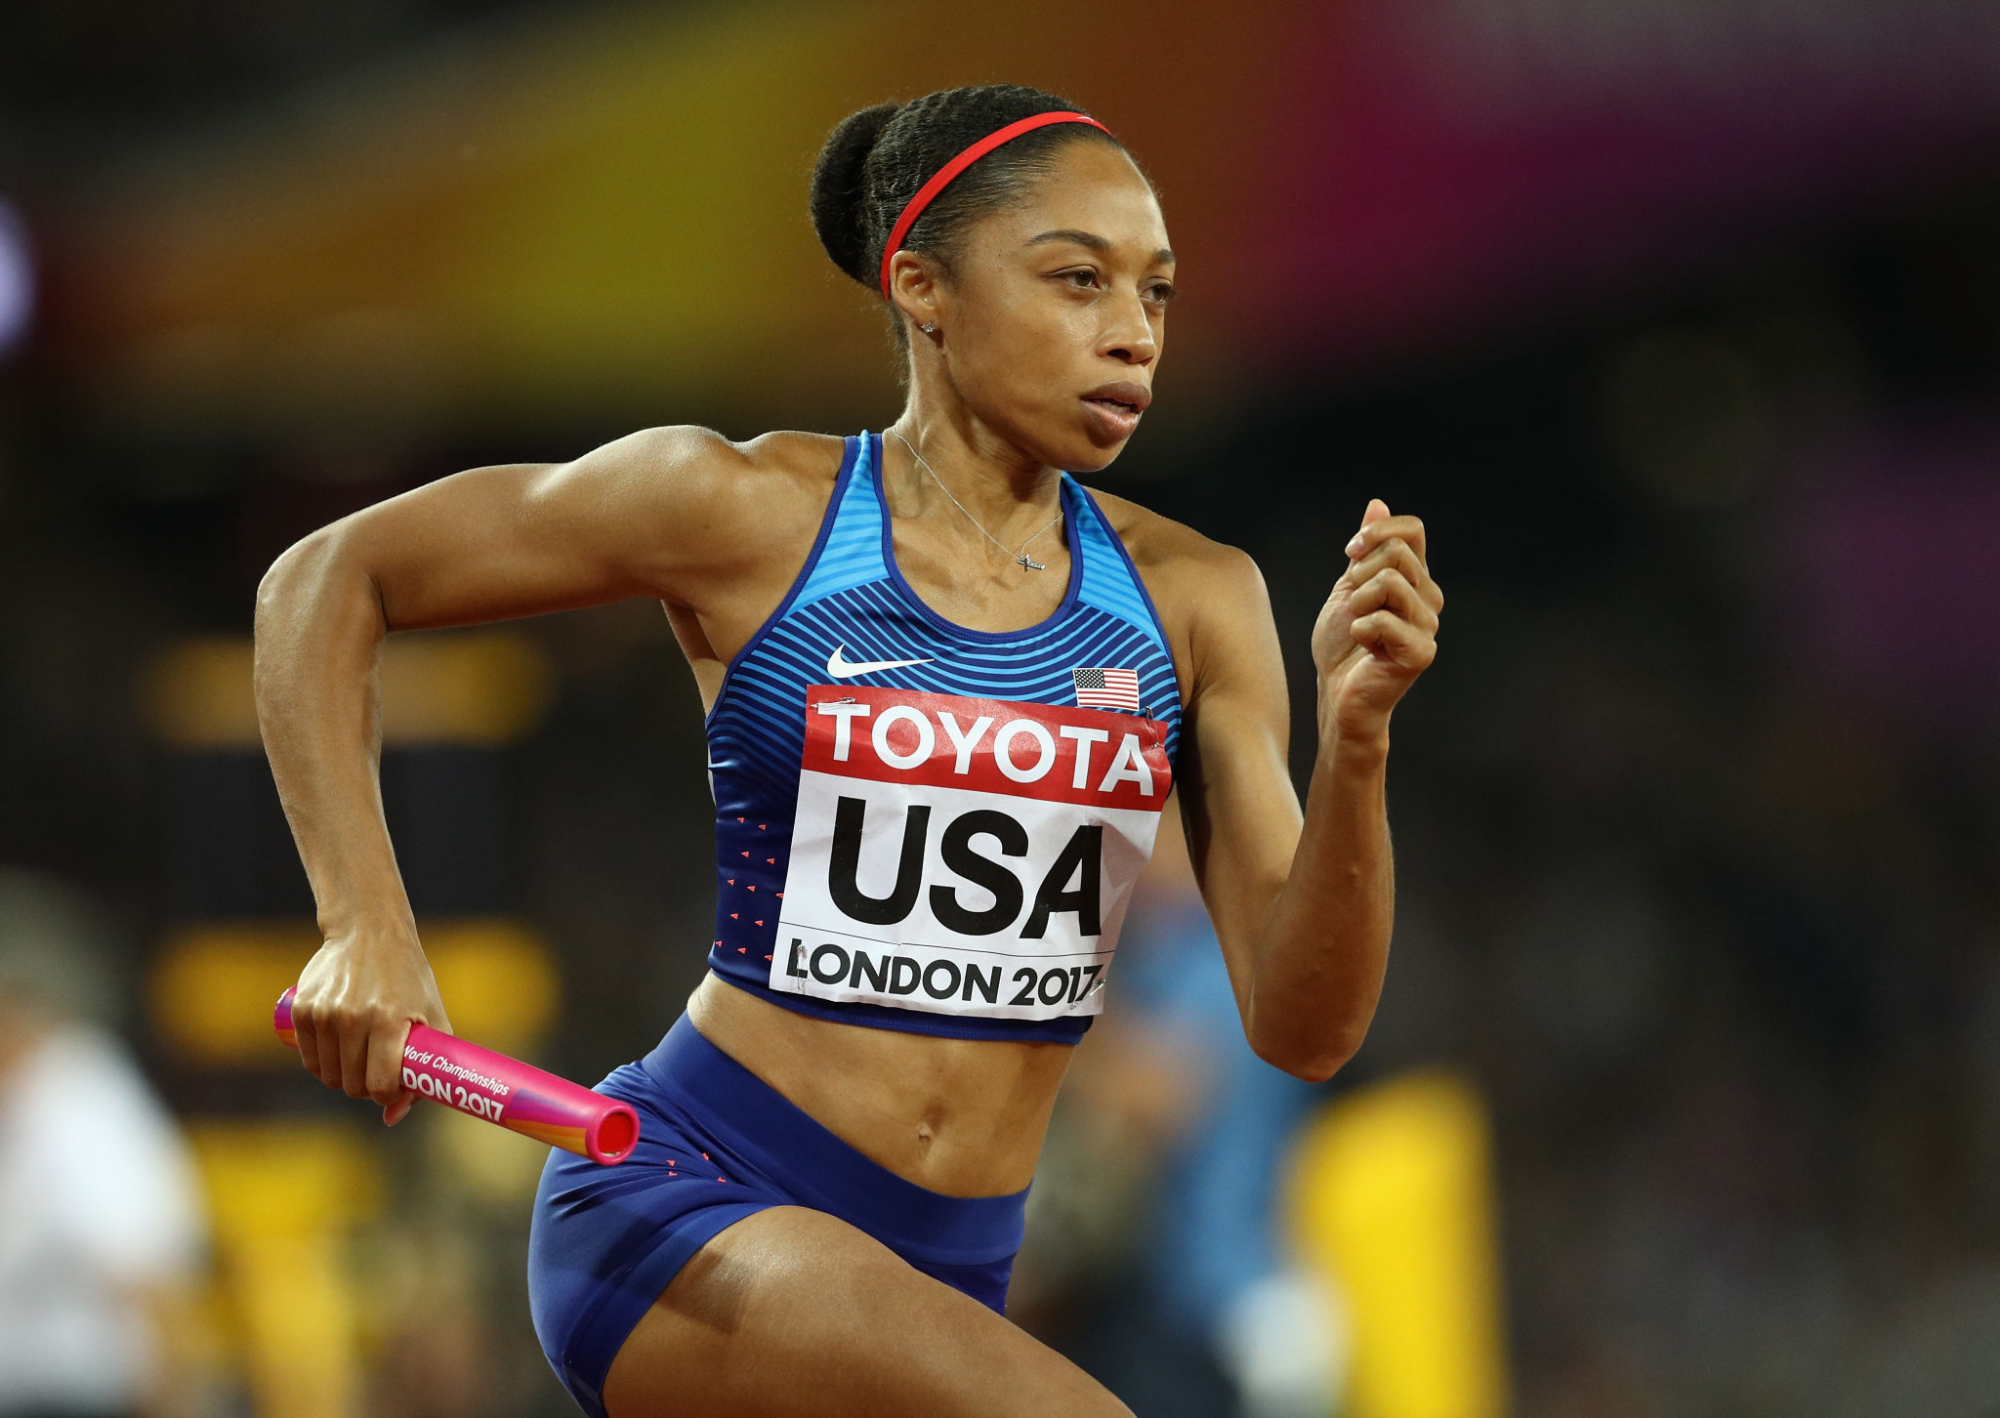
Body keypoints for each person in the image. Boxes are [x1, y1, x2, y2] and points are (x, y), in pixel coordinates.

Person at [253, 83, 1443, 1417]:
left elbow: (1307, 1026)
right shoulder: (744, 510)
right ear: (922, 286)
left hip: (950, 1277)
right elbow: (325, 580)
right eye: (1077, 280)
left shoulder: (1196, 597)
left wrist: (1357, 741)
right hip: (690, 1202)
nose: (1131, 336)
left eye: (1156, 294)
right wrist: (365, 920)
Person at [0, 869, 211, 1418]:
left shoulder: (75, 1097)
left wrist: (176, 1405)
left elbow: (151, 1275)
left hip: (82, 1400)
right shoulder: (22, 1097)